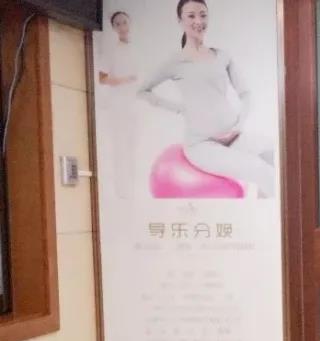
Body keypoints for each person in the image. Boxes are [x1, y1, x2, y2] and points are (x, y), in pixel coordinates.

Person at [138, 0, 276, 197]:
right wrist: (180, 108)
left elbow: (246, 93)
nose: (198, 21)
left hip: (233, 137)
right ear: (180, 21)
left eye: (203, 15)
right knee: (261, 170)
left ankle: (265, 210)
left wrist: (239, 124)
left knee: (272, 151)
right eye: (191, 16)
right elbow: (143, 90)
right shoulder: (175, 62)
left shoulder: (222, 56)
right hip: (202, 144)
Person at [97, 11, 138, 199]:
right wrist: (125, 80)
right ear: (113, 28)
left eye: (124, 22)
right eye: (118, 24)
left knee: (134, 145)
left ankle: (134, 187)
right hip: (119, 104)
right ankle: (122, 191)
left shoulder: (136, 48)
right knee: (120, 146)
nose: (122, 26)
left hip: (135, 103)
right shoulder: (112, 51)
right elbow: (102, 78)